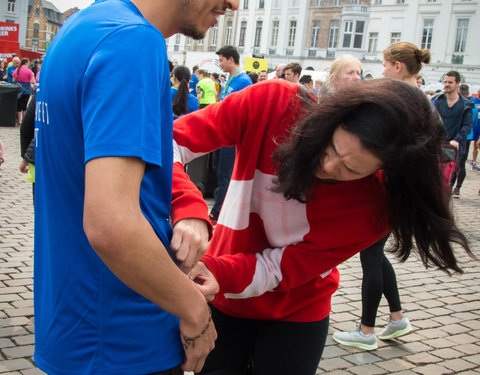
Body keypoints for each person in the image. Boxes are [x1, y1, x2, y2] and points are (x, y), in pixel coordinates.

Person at [172, 78, 472, 375]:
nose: (328, 167)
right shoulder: (275, 103)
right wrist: (187, 205)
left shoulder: (376, 207)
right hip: (220, 298)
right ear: (332, 118)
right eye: (331, 146)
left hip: (296, 312)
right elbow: (167, 143)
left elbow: (281, 267)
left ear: (383, 171)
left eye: (350, 169)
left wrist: (217, 271)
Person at [33, 0, 240, 374]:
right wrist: (194, 312)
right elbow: (111, 223)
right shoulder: (134, 41)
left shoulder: (83, 27)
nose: (235, 4)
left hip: (76, 320)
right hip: (121, 334)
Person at [333, 42, 430, 351]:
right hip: (398, 190)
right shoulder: (419, 99)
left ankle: (366, 331)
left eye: (386, 64)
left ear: (398, 67)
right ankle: (397, 317)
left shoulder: (403, 100)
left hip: (389, 189)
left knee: (371, 256)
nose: (383, 69)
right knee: (375, 254)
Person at [209, 45, 252, 224]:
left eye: (221, 60)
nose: (220, 64)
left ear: (231, 59)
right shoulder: (230, 80)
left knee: (226, 173)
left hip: (232, 136)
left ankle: (217, 212)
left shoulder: (244, 81)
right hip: (223, 134)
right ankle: (221, 207)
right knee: (218, 169)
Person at [433, 70, 474, 197]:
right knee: (434, 178)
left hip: (453, 147)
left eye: (450, 82)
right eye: (445, 82)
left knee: (449, 178)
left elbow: (467, 126)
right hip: (437, 145)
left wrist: (457, 139)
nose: (446, 84)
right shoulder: (439, 101)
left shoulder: (465, 105)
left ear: (457, 84)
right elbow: (431, 121)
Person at [451, 84, 479, 193]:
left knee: (453, 164)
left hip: (458, 137)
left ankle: (451, 187)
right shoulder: (474, 107)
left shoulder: (460, 104)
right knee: (461, 164)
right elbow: (475, 122)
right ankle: (458, 188)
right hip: (468, 136)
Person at [12, 58, 35, 125]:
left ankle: (19, 121)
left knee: (19, 105)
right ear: (26, 63)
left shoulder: (17, 70)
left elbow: (14, 80)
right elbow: (33, 81)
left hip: (19, 88)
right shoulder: (29, 71)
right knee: (25, 105)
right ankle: (24, 120)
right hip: (27, 89)